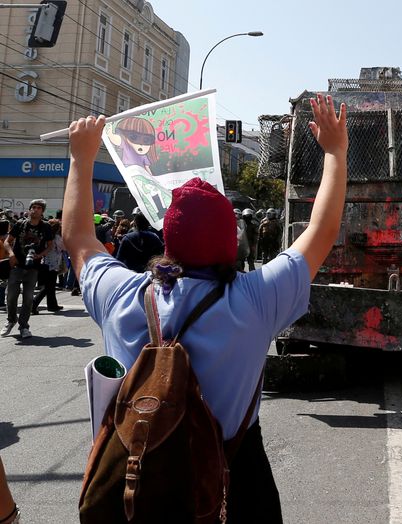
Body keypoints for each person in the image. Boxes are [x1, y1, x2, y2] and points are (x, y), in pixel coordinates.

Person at [63, 94, 347, 521]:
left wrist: (81, 157)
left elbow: (79, 240)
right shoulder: (255, 299)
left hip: (136, 489)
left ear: (168, 242)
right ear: (231, 244)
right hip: (235, 486)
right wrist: (335, 152)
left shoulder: (122, 294)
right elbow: (322, 231)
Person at [2, 199, 53, 338]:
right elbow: (7, 241)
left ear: (42, 211)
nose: (35, 210)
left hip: (33, 268)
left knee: (28, 298)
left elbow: (50, 245)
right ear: (30, 209)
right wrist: (11, 254)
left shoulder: (46, 227)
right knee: (11, 296)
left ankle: (24, 326)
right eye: (33, 207)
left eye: (38, 208)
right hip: (17, 266)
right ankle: (11, 320)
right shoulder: (20, 224)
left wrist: (40, 255)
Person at [32, 219, 65, 314]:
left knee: (50, 286)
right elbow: (64, 247)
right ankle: (33, 305)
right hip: (52, 264)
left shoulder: (44, 236)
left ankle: (52, 305)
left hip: (44, 262)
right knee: (48, 287)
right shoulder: (57, 238)